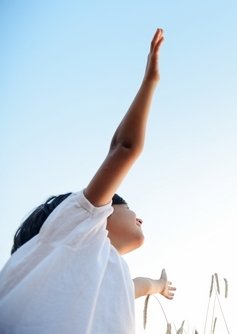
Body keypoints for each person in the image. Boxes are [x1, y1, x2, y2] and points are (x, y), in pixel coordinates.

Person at [0, 28, 175, 334]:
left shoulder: (109, 275)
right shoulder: (73, 230)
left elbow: (139, 285)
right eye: (125, 205)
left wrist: (159, 286)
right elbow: (123, 149)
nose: (139, 216)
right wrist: (150, 83)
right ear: (100, 215)